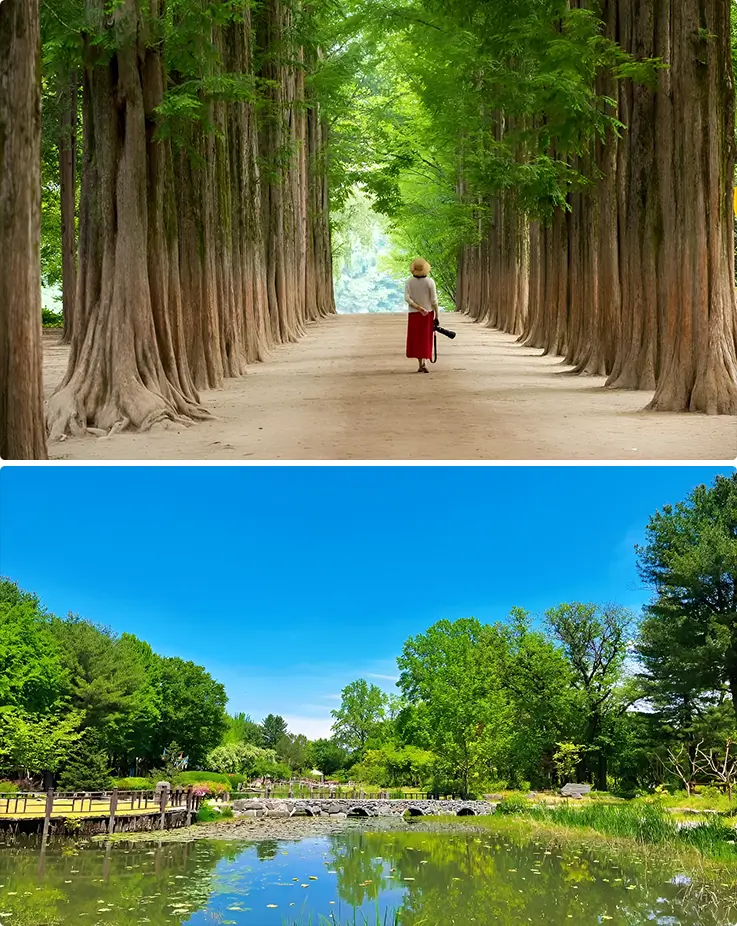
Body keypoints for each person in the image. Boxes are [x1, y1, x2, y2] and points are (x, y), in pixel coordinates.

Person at [405, 258, 439, 373]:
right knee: (425, 338)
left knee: (417, 338)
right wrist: (437, 315)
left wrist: (417, 307)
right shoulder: (430, 282)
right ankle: (425, 362)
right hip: (428, 313)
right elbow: (434, 301)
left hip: (414, 314)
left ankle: (421, 363)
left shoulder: (409, 282)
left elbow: (407, 298)